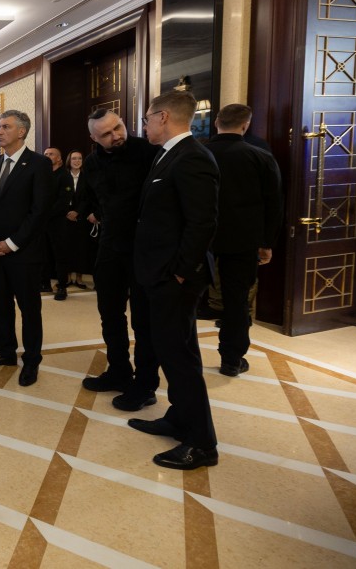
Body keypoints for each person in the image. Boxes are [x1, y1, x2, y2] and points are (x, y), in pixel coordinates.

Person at [128, 91, 220, 470]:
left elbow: (202, 223)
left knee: (180, 358)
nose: (145, 125)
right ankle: (179, 418)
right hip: (158, 272)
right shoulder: (168, 154)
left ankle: (202, 443)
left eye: (147, 118)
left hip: (174, 277)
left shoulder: (193, 157)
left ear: (163, 117)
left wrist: (180, 272)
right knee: (171, 351)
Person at [78, 110, 160, 410]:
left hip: (143, 247)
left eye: (118, 127)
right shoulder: (91, 162)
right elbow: (87, 198)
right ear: (94, 138)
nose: (116, 136)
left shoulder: (148, 151)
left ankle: (146, 384)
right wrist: (96, 214)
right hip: (110, 246)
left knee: (143, 320)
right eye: (106, 134)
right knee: (110, 314)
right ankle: (119, 371)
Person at [0, 110, 53, 386]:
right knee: (0, 305)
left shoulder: (39, 164)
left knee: (29, 310)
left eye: (5, 127)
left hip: (24, 253)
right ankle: (6, 351)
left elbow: (39, 211)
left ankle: (31, 360)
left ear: (21, 132)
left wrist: (11, 244)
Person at [205, 104, 282, 376]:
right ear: (245, 125)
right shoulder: (260, 157)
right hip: (243, 239)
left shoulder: (198, 152)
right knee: (236, 300)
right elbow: (274, 204)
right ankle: (232, 359)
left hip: (201, 236)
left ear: (217, 122)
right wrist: (267, 242)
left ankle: (179, 356)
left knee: (189, 296)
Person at [43, 147, 72, 300]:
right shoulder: (42, 174)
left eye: (51, 154)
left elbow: (63, 201)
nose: (47, 156)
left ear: (59, 158)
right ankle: (45, 283)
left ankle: (62, 286)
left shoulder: (65, 176)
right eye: (46, 154)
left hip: (58, 222)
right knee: (44, 253)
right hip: (42, 222)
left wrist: (46, 214)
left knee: (59, 255)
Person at [61, 149, 92, 290]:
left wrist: (77, 212)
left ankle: (79, 278)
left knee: (81, 248)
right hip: (64, 217)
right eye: (74, 158)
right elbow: (58, 196)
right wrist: (67, 212)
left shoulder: (87, 176)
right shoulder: (63, 176)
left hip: (81, 218)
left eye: (79, 158)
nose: (77, 161)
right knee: (66, 247)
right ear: (69, 160)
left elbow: (89, 198)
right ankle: (67, 277)